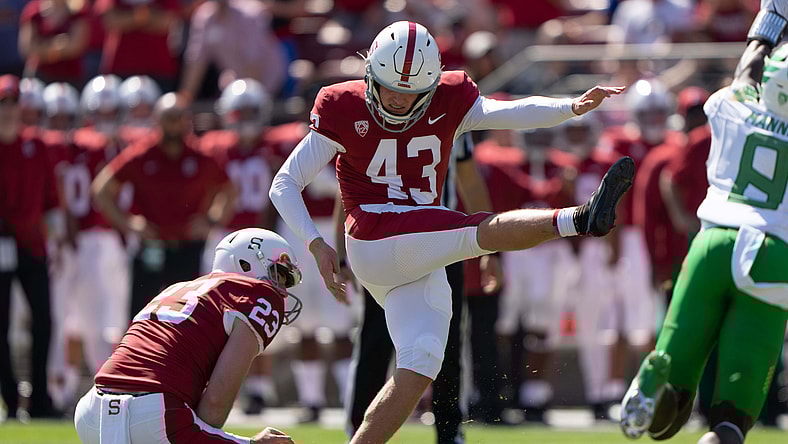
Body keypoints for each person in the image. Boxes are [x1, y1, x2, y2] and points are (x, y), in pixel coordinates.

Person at [269, 20, 634, 444]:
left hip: (419, 246)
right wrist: (317, 244)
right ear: (369, 75)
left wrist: (569, 107)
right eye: (390, 88)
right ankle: (580, 219)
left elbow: (506, 112)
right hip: (374, 234)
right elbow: (285, 183)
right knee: (470, 229)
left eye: (412, 94)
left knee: (421, 360)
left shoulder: (452, 96)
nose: (399, 101)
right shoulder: (341, 104)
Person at [619, 2, 788, 443]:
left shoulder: (731, 103)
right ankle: (723, 431)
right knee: (738, 396)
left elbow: (751, 61)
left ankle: (657, 380)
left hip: (714, 239)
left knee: (678, 349)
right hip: (774, 256)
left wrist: (773, 14)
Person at [73, 227, 300, 444]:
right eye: (277, 275)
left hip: (92, 412)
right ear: (245, 263)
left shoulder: (178, 289)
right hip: (154, 416)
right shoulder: (256, 297)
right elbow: (214, 405)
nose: (281, 289)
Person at [92, 92, 237, 321]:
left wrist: (212, 221)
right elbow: (102, 188)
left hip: (188, 247)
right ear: (158, 120)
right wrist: (128, 223)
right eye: (169, 117)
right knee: (141, 317)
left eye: (179, 117)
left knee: (188, 317)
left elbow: (229, 190)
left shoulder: (199, 155)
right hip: (151, 245)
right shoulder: (143, 154)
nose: (175, 124)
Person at [0, 74, 64, 419]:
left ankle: (39, 399)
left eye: (13, 104)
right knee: (2, 325)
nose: (8, 111)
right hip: (0, 244)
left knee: (44, 321)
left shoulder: (36, 145)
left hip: (33, 245)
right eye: (3, 105)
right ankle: (9, 399)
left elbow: (52, 198)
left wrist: (56, 239)